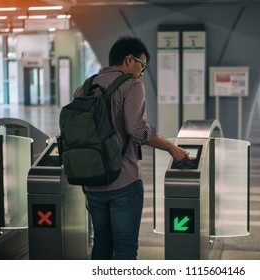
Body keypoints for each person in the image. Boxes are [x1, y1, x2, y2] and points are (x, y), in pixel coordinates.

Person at [73, 36, 189, 260]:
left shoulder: (84, 87)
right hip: (122, 181)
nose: (142, 72)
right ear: (129, 60)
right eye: (142, 65)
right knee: (125, 248)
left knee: (101, 245)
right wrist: (171, 148)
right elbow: (137, 130)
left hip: (91, 181)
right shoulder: (131, 85)